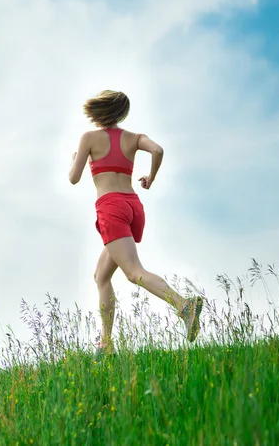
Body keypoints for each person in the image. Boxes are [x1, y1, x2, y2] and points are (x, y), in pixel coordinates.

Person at [69, 90, 203, 355]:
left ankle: (183, 306)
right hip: (133, 207)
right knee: (101, 276)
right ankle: (106, 344)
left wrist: (75, 159)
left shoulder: (89, 138)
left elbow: (74, 178)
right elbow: (158, 150)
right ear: (121, 113)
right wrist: (151, 177)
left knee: (133, 272)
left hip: (111, 207)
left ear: (99, 111)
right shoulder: (134, 138)